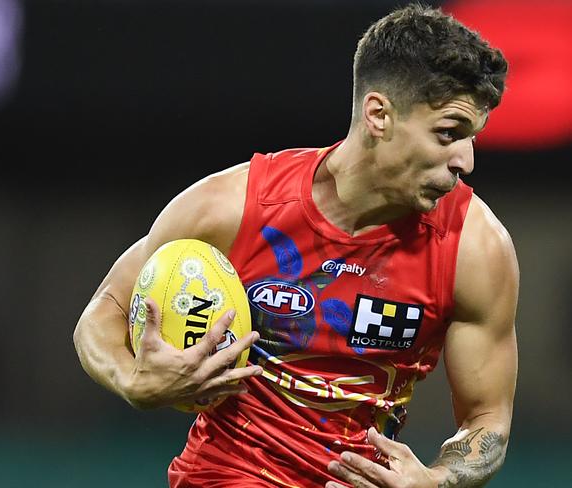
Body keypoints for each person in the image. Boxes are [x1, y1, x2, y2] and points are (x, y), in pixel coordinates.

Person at [73, 2, 519, 487]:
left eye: (471, 138)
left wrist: (436, 481)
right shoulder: (232, 207)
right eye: (448, 134)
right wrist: (132, 380)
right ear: (379, 115)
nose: (465, 162)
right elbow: (106, 309)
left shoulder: (475, 247)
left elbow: (487, 422)